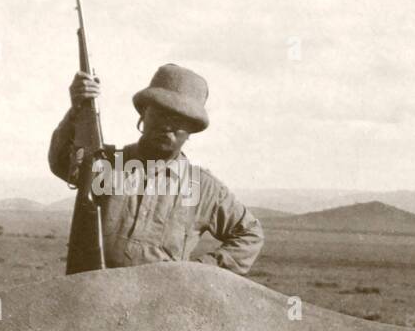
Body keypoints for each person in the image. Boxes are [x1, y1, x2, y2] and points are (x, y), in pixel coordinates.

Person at [48, 63, 263, 274]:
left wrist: (199, 272)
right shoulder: (107, 163)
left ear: (191, 130)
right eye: (161, 114)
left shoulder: (202, 187)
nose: (167, 126)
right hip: (96, 297)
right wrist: (76, 109)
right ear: (144, 114)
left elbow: (250, 234)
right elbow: (61, 162)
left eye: (180, 120)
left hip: (163, 306)